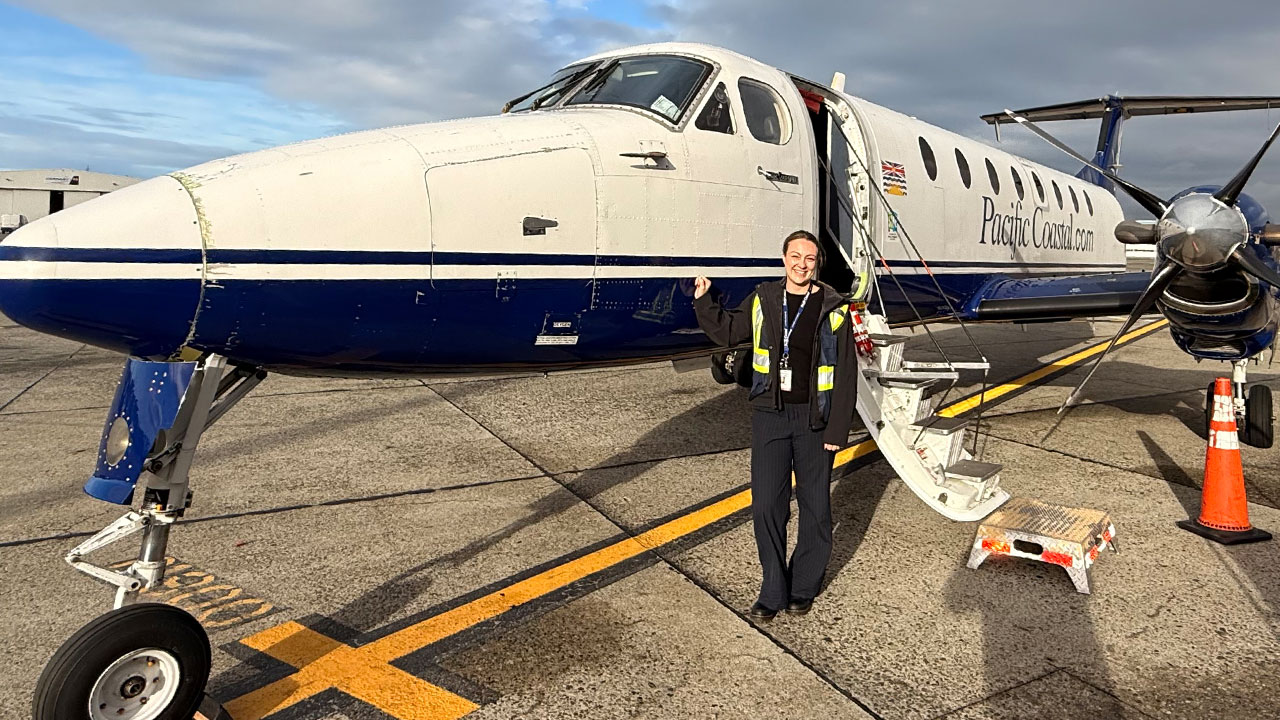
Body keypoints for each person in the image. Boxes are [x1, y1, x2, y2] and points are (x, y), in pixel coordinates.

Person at [693, 230, 858, 620]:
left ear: (817, 264)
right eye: (795, 256)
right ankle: (773, 588)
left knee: (816, 508)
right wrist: (704, 302)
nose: (802, 264)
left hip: (814, 420)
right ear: (784, 259)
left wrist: (837, 430)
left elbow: (847, 374)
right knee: (767, 506)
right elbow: (730, 332)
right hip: (770, 416)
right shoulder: (764, 299)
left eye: (810, 258)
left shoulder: (834, 307)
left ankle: (803, 586)